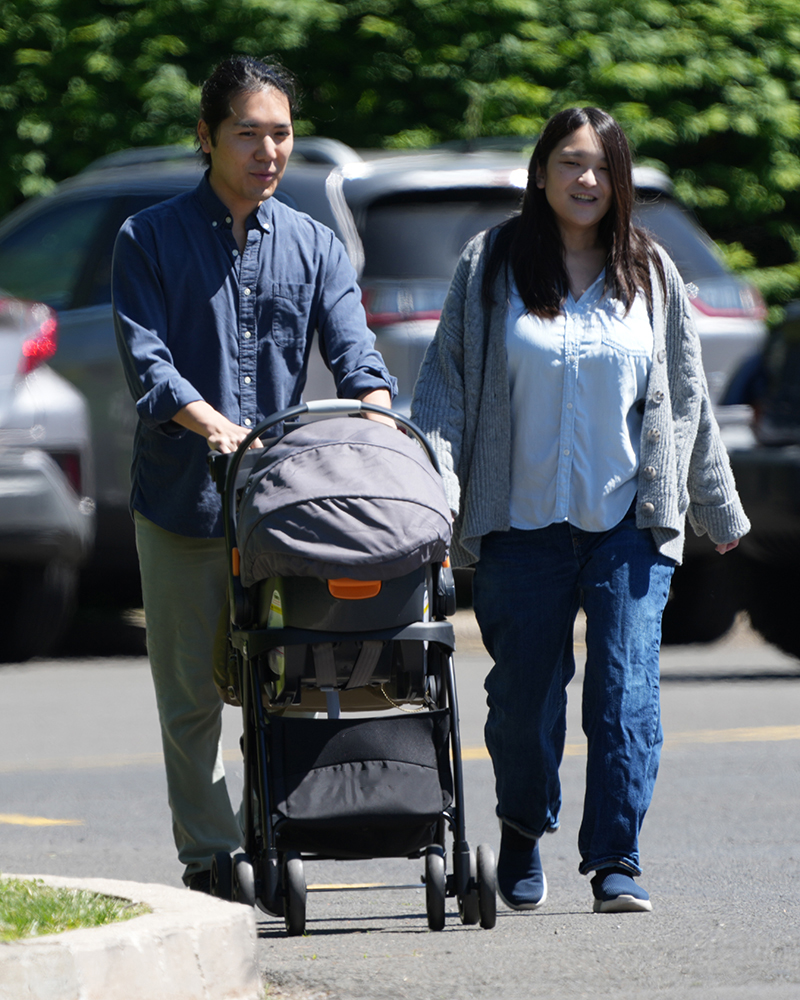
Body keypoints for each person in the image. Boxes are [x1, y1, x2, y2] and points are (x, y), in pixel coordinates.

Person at [410, 107, 749, 914]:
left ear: (619, 178)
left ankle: (616, 863)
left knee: (624, 694)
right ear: (541, 173)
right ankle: (522, 832)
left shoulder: (651, 271)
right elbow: (444, 390)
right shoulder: (490, 264)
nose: (587, 179)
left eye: (602, 165)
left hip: (628, 523)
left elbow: (686, 397)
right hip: (519, 524)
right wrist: (433, 500)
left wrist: (718, 508)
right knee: (523, 703)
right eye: (570, 162)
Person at [113, 56, 396, 891]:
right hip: (180, 500)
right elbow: (149, 365)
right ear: (206, 138)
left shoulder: (313, 243)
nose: (268, 150)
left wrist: (377, 420)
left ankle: (265, 843)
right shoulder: (149, 237)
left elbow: (355, 353)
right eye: (248, 134)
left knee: (285, 685)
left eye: (281, 133)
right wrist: (217, 428)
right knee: (193, 701)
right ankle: (209, 859)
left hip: (281, 511)